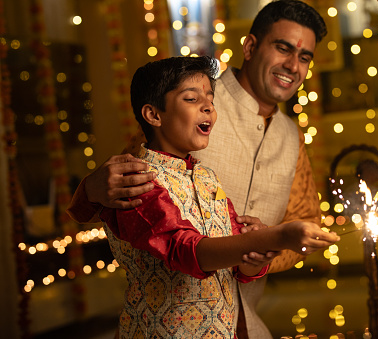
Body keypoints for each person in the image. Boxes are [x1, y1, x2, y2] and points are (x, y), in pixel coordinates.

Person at [67, 1, 330, 338]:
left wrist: (256, 250)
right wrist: (91, 188)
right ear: (250, 47)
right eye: (283, 48)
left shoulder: (292, 135)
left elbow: (306, 217)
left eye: (305, 57)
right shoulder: (190, 102)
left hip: (242, 319)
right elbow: (120, 188)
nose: (293, 65)